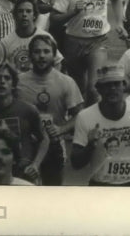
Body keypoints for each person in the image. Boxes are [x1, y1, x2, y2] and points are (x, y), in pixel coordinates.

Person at [71, 64, 130, 186]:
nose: (112, 89)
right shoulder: (85, 117)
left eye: (116, 84)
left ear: (124, 86)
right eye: (107, 85)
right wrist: (90, 146)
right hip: (100, 185)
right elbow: (75, 163)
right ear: (98, 89)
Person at [51, 0, 123, 104]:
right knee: (78, 88)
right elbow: (54, 18)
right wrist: (73, 12)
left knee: (93, 87)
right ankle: (80, 119)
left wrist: (119, 22)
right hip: (73, 41)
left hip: (98, 41)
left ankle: (94, 121)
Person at [16, 34, 84, 186]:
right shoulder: (18, 82)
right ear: (30, 55)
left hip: (54, 147)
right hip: (25, 147)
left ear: (54, 55)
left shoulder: (66, 82)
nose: (41, 56)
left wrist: (61, 129)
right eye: (37, 51)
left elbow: (80, 114)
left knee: (52, 193)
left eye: (46, 52)